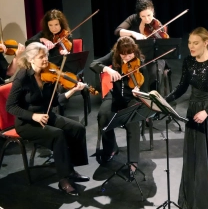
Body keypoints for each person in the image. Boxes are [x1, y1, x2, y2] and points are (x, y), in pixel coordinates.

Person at [5, 42, 89, 196]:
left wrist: (73, 91)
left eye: (46, 55)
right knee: (58, 135)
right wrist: (33, 116)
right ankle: (64, 179)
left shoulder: (48, 74)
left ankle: (70, 169)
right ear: (31, 59)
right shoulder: (23, 77)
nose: (46, 59)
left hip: (47, 115)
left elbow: (55, 100)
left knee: (78, 128)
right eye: (41, 57)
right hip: (26, 123)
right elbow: (10, 107)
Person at [165, 27, 208, 209]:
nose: (191, 47)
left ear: (205, 42)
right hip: (193, 114)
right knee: (195, 160)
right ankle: (196, 203)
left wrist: (207, 111)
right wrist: (162, 100)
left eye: (195, 43)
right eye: (189, 43)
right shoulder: (188, 62)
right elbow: (181, 88)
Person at [90, 36, 148, 174]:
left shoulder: (141, 62)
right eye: (123, 54)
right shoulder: (114, 56)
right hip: (114, 95)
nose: (126, 57)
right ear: (118, 52)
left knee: (132, 122)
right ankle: (111, 148)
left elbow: (146, 87)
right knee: (102, 116)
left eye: (130, 53)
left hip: (132, 98)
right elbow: (93, 64)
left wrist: (139, 91)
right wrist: (107, 69)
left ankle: (133, 160)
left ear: (135, 51)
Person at [115, 0, 167, 92]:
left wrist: (157, 34)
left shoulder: (156, 24)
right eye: (143, 16)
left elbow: (164, 41)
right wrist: (133, 33)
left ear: (153, 11)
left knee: (155, 71)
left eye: (149, 15)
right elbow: (117, 31)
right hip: (136, 55)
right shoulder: (133, 19)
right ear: (139, 15)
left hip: (153, 57)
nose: (147, 19)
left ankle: (154, 95)